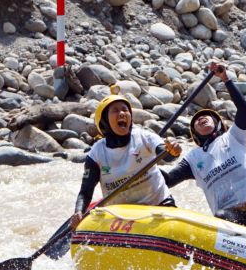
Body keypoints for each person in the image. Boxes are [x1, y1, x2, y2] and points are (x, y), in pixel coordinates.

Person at [161, 62, 246, 230]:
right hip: (231, 214)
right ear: (195, 134)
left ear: (218, 124)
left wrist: (225, 79)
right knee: (222, 217)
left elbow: (243, 109)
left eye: (207, 116)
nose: (201, 118)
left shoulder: (234, 136)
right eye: (196, 121)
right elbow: (168, 180)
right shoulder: (192, 158)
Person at [69, 86, 181, 228]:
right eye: (115, 111)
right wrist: (79, 211)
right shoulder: (96, 154)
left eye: (125, 109)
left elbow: (166, 154)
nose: (122, 113)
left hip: (158, 205)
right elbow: (85, 192)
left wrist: (172, 150)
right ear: (104, 122)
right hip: (121, 216)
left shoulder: (144, 136)